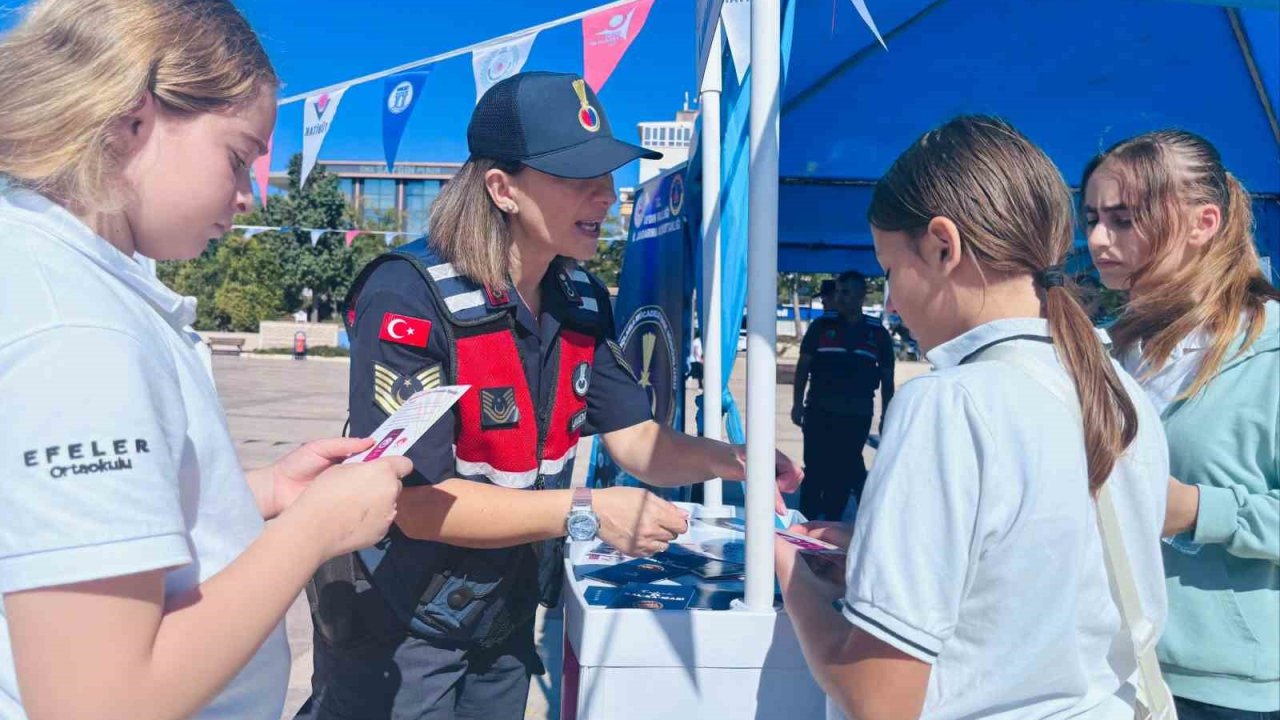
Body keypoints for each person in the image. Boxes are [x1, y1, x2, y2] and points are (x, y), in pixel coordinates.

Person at [300, 71, 802, 720]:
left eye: (609, 175)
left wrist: (732, 459)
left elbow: (637, 441)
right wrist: (587, 510)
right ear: (502, 189)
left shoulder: (580, 300)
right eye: (576, 179)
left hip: (500, 609)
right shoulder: (411, 295)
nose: (607, 197)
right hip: (398, 614)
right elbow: (413, 504)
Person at [0, 1, 410, 718]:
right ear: (133, 119)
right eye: (237, 156)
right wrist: (317, 530)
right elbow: (97, 701)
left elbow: (71, 530)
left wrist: (262, 491)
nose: (246, 193)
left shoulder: (63, 280)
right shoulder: (75, 331)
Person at [776, 116, 1170, 719]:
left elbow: (877, 699)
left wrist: (790, 576)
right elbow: (1040, 578)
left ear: (942, 245)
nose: (894, 305)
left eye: (889, 271)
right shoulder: (1118, 389)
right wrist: (874, 555)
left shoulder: (949, 403)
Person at [1084, 130, 1280, 720]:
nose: (1096, 238)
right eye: (1092, 216)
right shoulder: (1112, 351)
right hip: (1105, 667)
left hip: (1224, 686)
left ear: (1204, 223)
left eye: (1123, 218)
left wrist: (1198, 511)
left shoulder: (1270, 352)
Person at [791, 270, 895, 520]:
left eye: (846, 292)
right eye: (837, 291)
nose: (839, 297)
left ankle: (832, 529)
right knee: (815, 471)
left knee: (844, 471)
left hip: (856, 415)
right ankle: (806, 527)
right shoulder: (820, 326)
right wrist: (797, 404)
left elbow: (887, 379)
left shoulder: (877, 332)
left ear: (862, 295)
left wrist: (886, 414)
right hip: (819, 411)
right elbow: (803, 367)